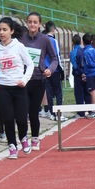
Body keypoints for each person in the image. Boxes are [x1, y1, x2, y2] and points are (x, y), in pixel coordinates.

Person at [0, 17, 34, 159]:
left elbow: (30, 65)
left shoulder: (19, 46)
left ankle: (24, 137)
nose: (1, 32)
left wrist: (24, 80)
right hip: (2, 88)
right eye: (0, 29)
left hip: (18, 87)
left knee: (21, 119)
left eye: (5, 30)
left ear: (12, 31)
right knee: (8, 119)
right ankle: (12, 146)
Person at [22, 12, 59, 151]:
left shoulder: (45, 40)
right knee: (23, 111)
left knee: (33, 112)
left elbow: (54, 58)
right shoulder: (20, 39)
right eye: (30, 22)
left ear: (39, 24)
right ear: (26, 23)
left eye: (35, 22)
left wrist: (50, 69)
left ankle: (35, 139)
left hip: (38, 80)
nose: (32, 24)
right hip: (23, 81)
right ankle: (24, 138)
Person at [83, 32, 95, 107]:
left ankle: (94, 110)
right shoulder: (94, 50)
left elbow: (88, 63)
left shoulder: (85, 52)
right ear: (91, 41)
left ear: (83, 42)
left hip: (90, 73)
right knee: (94, 92)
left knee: (92, 92)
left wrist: (86, 72)